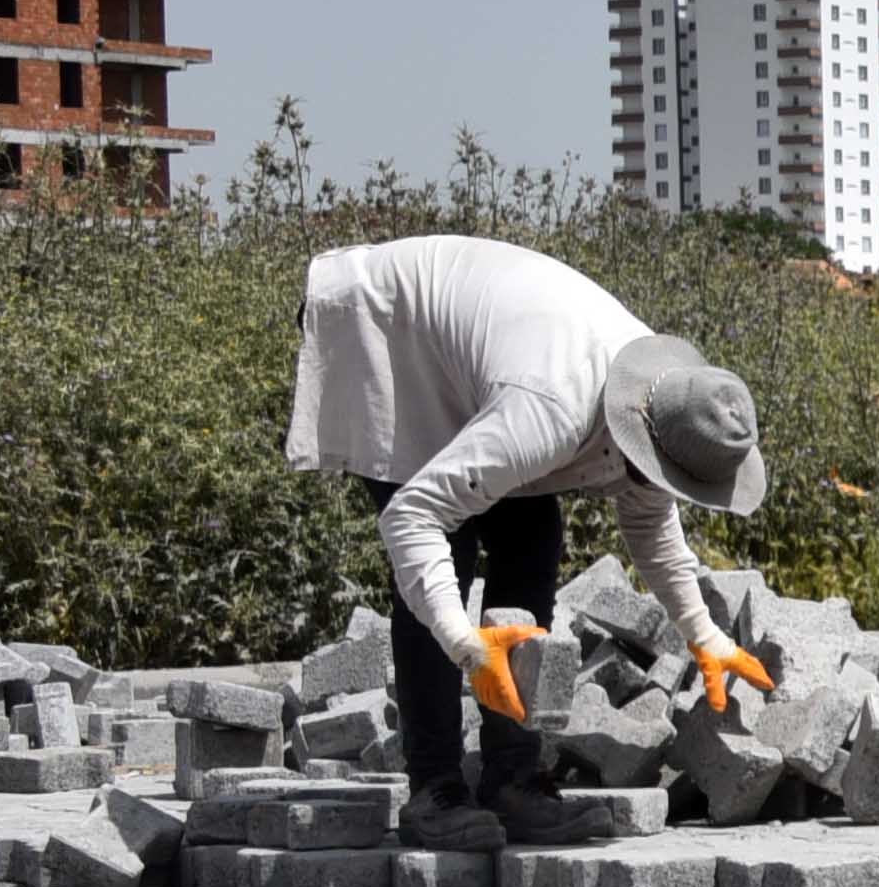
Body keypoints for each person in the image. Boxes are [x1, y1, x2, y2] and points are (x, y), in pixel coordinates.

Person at [285, 235, 777, 829]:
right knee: (450, 546)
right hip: (386, 331)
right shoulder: (551, 408)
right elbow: (411, 518)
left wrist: (705, 636)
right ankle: (434, 790)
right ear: (640, 436)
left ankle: (513, 780)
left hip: (487, 360)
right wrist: (466, 645)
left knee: (531, 538)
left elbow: (649, 517)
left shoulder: (666, 396)